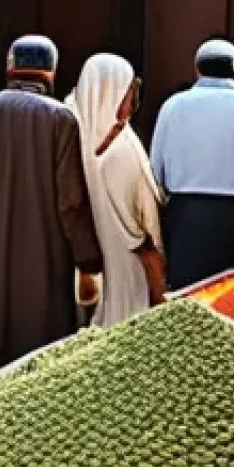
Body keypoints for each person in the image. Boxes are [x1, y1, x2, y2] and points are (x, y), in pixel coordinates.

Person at [0, 35, 103, 383]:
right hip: (42, 256)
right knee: (37, 356)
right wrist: (89, 261)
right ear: (50, 73)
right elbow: (71, 203)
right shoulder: (61, 119)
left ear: (9, 69)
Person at [67, 55, 165, 326]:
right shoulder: (123, 149)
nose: (131, 102)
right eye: (128, 91)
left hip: (84, 269)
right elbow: (145, 232)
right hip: (126, 267)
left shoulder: (70, 134)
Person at [150, 39, 234, 291]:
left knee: (189, 301)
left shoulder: (173, 106)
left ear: (197, 69)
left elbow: (156, 171)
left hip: (187, 219)